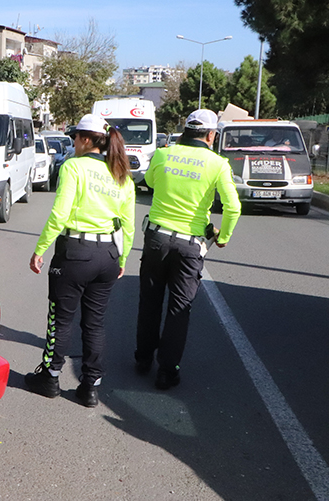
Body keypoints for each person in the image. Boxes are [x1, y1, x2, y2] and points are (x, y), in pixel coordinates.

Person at [24, 114, 135, 408]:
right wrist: (122, 257)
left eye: (75, 137)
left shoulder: (73, 166)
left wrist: (40, 249)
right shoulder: (121, 173)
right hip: (108, 255)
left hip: (75, 252)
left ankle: (50, 378)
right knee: (95, 324)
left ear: (86, 139)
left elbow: (60, 214)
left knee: (60, 319)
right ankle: (90, 387)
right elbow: (129, 225)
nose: (73, 142)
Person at [135, 109, 241, 390]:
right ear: (211, 135)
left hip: (156, 239)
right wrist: (223, 236)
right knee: (179, 308)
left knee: (150, 302)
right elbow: (233, 206)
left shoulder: (163, 153)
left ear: (185, 130)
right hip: (190, 245)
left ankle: (143, 358)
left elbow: (150, 183)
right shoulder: (217, 164)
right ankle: (167, 371)